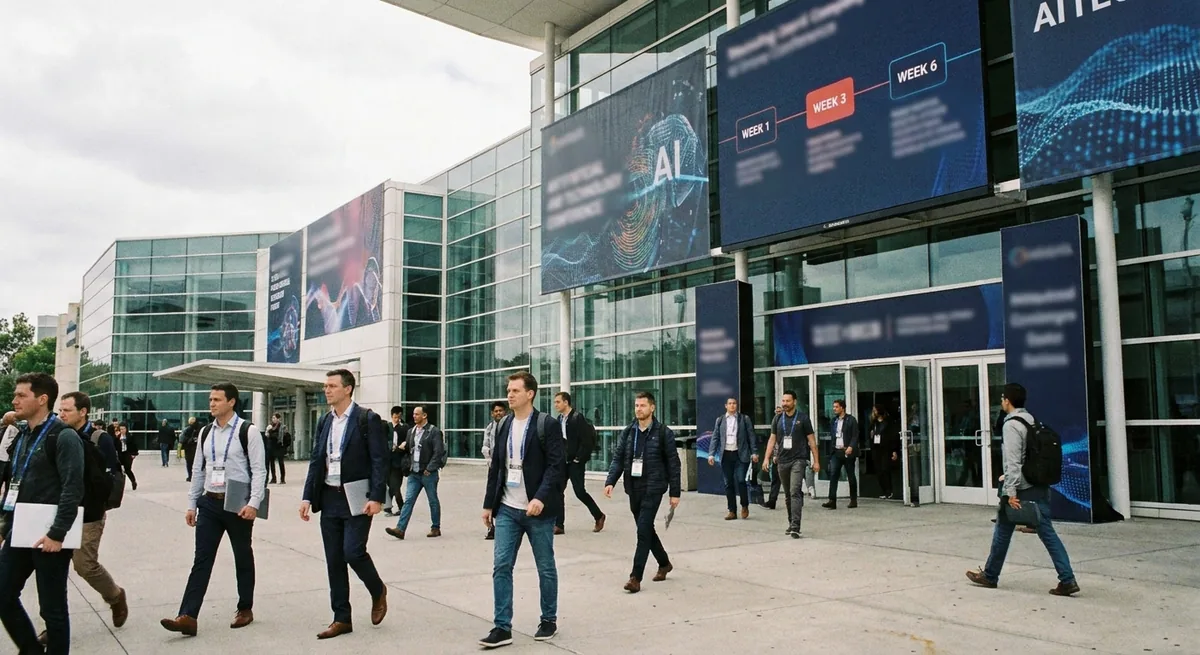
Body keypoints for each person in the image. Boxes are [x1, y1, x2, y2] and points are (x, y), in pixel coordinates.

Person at [161, 382, 267, 637]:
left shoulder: (248, 431)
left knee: (242, 556)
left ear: (231, 402)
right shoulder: (206, 432)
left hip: (237, 504)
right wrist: (191, 504)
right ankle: (187, 616)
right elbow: (198, 469)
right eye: (210, 399)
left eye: (217, 399)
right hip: (209, 502)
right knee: (202, 559)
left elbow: (260, 470)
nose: (212, 403)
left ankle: (245, 608)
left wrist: (253, 503)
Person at [966, 383, 1079, 596]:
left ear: (1007, 401)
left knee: (1032, 530)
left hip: (1022, 487)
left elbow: (1013, 462)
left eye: (1002, 398)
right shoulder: (1031, 420)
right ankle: (991, 574)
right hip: (1038, 484)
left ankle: (1066, 578)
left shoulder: (1011, 425)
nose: (1001, 402)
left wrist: (1010, 492)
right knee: (1012, 528)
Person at [300, 369, 389, 639]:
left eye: (332, 386)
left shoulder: (366, 419)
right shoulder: (325, 420)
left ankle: (377, 590)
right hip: (329, 497)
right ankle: (341, 618)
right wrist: (306, 496)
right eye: (325, 386)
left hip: (357, 496)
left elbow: (379, 460)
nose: (327, 390)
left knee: (353, 552)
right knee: (334, 560)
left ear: (348, 389)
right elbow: (317, 459)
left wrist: (376, 497)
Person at [0, 374, 85, 655]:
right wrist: (4, 526)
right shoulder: (23, 434)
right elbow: (15, 483)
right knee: (3, 593)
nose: (15, 400)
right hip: (19, 529)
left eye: (21, 395)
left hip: (50, 534)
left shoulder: (64, 436)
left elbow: (73, 488)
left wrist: (57, 534)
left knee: (52, 609)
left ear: (42, 399)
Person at [478, 371, 564, 649]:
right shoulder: (502, 425)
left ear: (530, 394)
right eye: (509, 390)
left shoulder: (546, 424)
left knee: (545, 566)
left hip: (537, 511)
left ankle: (548, 619)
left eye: (515, 390)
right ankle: (502, 627)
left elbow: (556, 466)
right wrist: (488, 503)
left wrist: (539, 497)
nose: (509, 394)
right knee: (501, 566)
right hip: (507, 509)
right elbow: (497, 467)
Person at [43, 392, 128, 640]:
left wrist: (95, 502)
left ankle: (115, 596)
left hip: (89, 513)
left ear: (83, 412)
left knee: (84, 566)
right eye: (60, 410)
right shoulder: (56, 436)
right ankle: (54, 625)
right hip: (58, 512)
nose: (61, 415)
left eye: (67, 410)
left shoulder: (100, 439)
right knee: (53, 572)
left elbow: (110, 476)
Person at [604, 391, 681, 594]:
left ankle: (635, 577)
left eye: (643, 406)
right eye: (636, 406)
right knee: (645, 529)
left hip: (654, 487)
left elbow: (674, 464)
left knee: (642, 529)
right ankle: (664, 563)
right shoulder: (629, 431)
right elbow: (619, 457)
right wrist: (610, 480)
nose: (639, 409)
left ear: (652, 408)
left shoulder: (664, 432)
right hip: (633, 487)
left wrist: (675, 492)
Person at [763, 390, 819, 538]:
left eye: (788, 401)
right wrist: (766, 458)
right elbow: (772, 439)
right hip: (782, 461)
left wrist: (816, 461)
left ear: (794, 402)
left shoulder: (803, 418)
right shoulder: (777, 419)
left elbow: (812, 441)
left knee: (795, 491)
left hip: (798, 460)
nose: (785, 404)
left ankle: (795, 526)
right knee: (788, 494)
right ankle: (790, 522)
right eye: (783, 401)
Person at [385, 406, 445, 540]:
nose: (414, 416)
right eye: (413, 414)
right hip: (414, 472)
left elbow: (438, 452)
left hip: (428, 473)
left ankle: (435, 527)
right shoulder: (411, 431)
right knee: (409, 501)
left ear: (424, 416)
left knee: (433, 500)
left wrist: (430, 468)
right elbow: (408, 449)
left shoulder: (433, 431)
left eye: (417, 414)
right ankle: (400, 529)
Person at [553, 392, 605, 535]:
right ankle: (559, 525)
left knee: (580, 492)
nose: (555, 405)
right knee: (557, 491)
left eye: (558, 402)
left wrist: (578, 459)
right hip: (564, 462)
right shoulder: (559, 419)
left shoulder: (577, 418)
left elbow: (586, 441)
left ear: (566, 402)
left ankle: (599, 515)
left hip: (575, 462)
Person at [707, 397, 758, 520]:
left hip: (741, 454)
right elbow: (715, 437)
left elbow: (751, 436)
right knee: (728, 483)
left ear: (737, 405)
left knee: (741, 480)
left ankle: (744, 505)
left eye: (734, 403)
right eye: (730, 404)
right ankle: (732, 511)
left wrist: (754, 452)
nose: (732, 405)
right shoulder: (720, 420)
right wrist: (711, 454)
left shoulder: (744, 419)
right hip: (726, 455)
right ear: (726, 406)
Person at [822, 400, 859, 510]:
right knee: (833, 474)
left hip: (847, 451)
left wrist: (851, 447)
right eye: (833, 407)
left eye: (836, 407)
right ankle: (832, 500)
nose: (834, 409)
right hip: (836, 451)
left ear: (842, 408)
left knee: (850, 475)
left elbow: (855, 435)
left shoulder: (851, 420)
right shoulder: (834, 421)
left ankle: (853, 499)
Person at [481, 401, 506, 539]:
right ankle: (492, 527)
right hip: (493, 466)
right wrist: (489, 453)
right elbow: (485, 445)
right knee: (492, 495)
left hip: (506, 467)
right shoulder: (490, 427)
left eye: (501, 411)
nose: (498, 413)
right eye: (496, 411)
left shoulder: (509, 426)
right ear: (492, 413)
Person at [869, 404, 900, 500]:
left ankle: (889, 491)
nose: (873, 413)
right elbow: (870, 435)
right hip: (876, 448)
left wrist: (894, 450)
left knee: (885, 469)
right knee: (879, 471)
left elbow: (893, 437)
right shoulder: (874, 424)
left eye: (875, 411)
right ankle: (884, 490)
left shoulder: (888, 423)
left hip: (886, 449)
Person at [383, 406, 408, 517]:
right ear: (391, 416)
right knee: (390, 485)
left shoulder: (404, 427)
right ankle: (389, 507)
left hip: (398, 461)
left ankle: (400, 507)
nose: (397, 419)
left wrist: (403, 445)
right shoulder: (387, 427)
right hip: (388, 460)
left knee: (395, 485)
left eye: (399, 417)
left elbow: (408, 441)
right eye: (395, 417)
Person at [266, 413, 291, 485]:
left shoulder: (283, 427)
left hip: (280, 447)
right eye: (272, 418)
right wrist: (268, 431)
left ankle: (282, 479)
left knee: (281, 463)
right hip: (272, 447)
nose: (273, 419)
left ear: (278, 419)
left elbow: (287, 438)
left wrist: (285, 447)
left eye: (274, 418)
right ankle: (273, 478)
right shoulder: (270, 427)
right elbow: (267, 436)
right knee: (272, 463)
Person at [116, 423, 138, 491]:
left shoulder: (130, 436)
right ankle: (119, 484)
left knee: (127, 469)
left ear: (126, 429)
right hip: (120, 454)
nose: (122, 430)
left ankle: (133, 481)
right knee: (119, 469)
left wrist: (134, 454)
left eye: (123, 429)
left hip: (127, 453)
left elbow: (134, 445)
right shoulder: (117, 436)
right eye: (121, 429)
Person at [181, 417, 200, 482]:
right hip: (197, 449)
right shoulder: (200, 429)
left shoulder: (187, 430)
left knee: (189, 464)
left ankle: (190, 476)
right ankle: (196, 476)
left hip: (189, 449)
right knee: (197, 463)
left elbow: (182, 439)